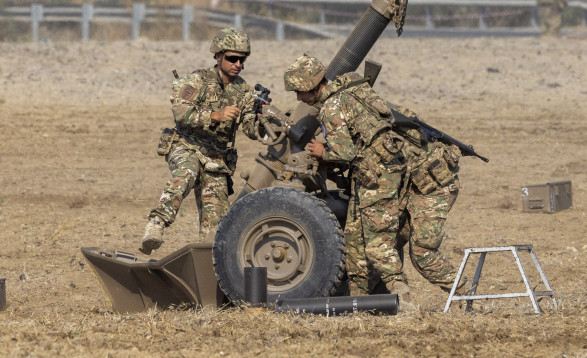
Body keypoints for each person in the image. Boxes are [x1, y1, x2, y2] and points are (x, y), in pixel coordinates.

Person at [284, 54, 415, 309]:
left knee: (377, 245)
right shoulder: (349, 92)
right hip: (366, 177)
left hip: (378, 179)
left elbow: (345, 153)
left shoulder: (333, 107)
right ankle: (358, 304)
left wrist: (322, 153)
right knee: (354, 241)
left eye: (300, 91)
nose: (299, 98)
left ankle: (405, 301)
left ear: (312, 84)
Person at [140, 28, 261, 254]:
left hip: (217, 160)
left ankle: (211, 265)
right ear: (218, 56)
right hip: (187, 146)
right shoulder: (197, 81)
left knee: (217, 227)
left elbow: (251, 127)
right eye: (232, 58)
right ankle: (156, 225)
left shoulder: (244, 91)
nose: (238, 64)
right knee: (187, 171)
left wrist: (264, 122)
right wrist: (215, 115)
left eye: (242, 60)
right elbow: (181, 113)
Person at [390, 104, 468, 295]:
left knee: (422, 252)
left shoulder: (388, 122)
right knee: (385, 245)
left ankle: (466, 294)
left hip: (434, 189)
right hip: (412, 188)